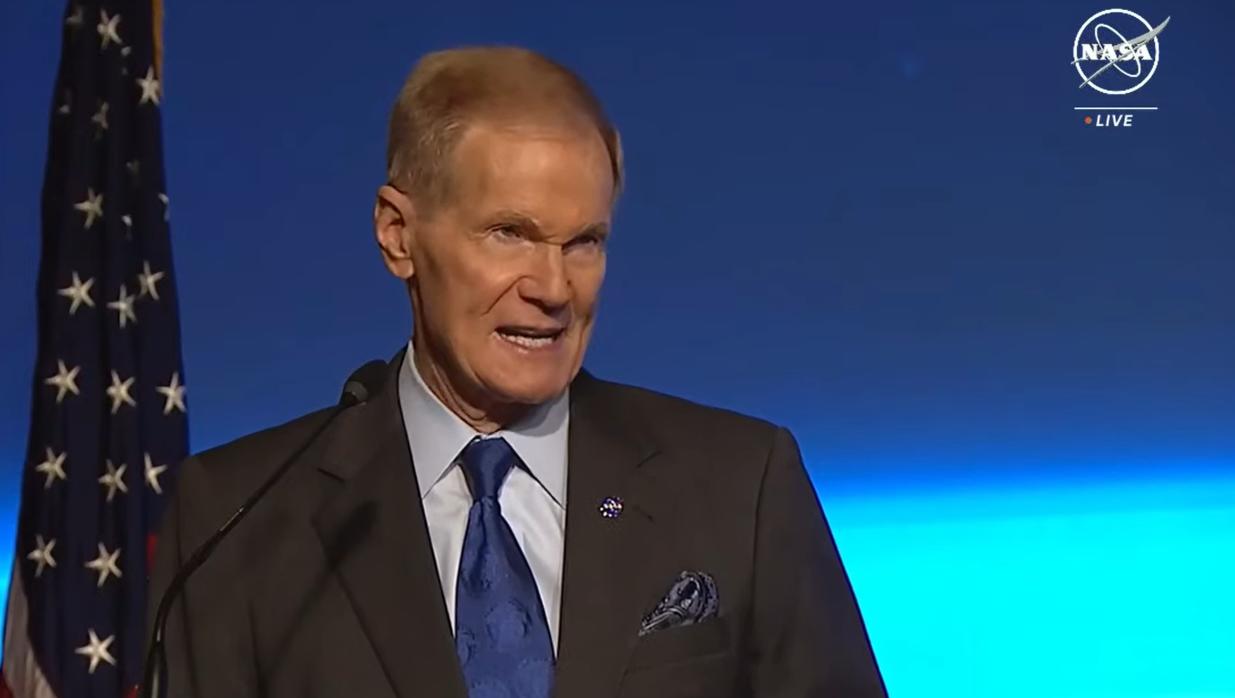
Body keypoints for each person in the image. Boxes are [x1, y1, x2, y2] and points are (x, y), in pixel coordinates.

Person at [148, 45, 887, 698]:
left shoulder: (739, 485)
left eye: (584, 242)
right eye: (510, 233)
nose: (553, 287)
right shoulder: (236, 518)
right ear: (397, 235)